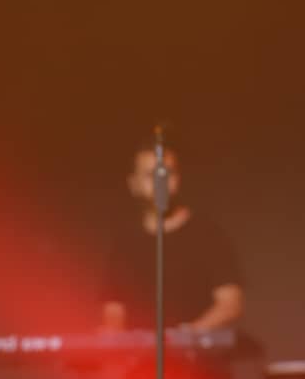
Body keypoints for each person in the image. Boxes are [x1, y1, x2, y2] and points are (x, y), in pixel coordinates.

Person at [96, 143, 245, 378]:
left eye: (167, 174)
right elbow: (113, 311)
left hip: (198, 369)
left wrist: (187, 336)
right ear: (133, 184)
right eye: (150, 175)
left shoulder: (207, 234)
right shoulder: (125, 244)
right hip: (140, 369)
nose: (160, 183)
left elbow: (230, 304)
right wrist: (115, 341)